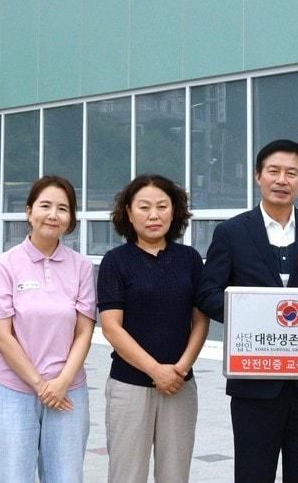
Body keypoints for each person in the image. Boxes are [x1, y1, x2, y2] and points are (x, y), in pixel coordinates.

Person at [196, 138, 298, 483]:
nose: (282, 180)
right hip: (254, 381)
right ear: (258, 176)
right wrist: (254, 314)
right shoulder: (232, 232)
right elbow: (208, 292)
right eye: (274, 171)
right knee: (253, 474)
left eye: (291, 173)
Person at [0, 175, 96, 483]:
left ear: (71, 218)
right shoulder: (5, 265)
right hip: (13, 391)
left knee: (66, 478)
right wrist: (40, 385)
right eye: (45, 206)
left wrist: (61, 383)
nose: (53, 214)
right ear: (29, 212)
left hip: (68, 391)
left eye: (62, 208)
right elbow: (1, 335)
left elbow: (84, 331)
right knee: (10, 477)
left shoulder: (81, 267)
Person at [97, 174, 209, 483]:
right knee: (126, 475)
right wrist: (155, 370)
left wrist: (181, 368)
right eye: (144, 207)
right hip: (129, 385)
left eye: (162, 206)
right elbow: (111, 327)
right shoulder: (116, 261)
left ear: (174, 211)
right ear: (129, 213)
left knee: (175, 475)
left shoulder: (189, 259)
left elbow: (200, 319)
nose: (154, 214)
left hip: (180, 385)